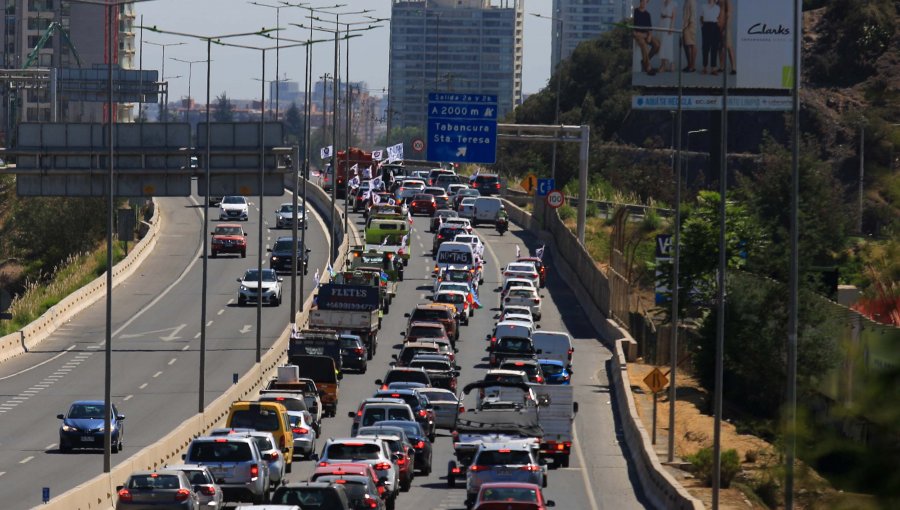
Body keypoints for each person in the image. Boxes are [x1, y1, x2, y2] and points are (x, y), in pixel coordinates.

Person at [633, 0, 660, 75]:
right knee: (644, 45)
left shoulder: (647, 14)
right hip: (637, 35)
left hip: (645, 34)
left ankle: (644, 62)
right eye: (643, 2)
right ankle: (648, 67)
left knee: (657, 44)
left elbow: (650, 29)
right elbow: (633, 29)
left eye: (645, 2)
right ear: (640, 2)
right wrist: (637, 34)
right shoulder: (635, 12)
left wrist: (649, 36)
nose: (644, 3)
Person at [700, 0, 721, 75]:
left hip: (715, 27)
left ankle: (713, 68)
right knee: (705, 47)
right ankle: (704, 67)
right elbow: (701, 17)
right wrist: (702, 26)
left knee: (714, 47)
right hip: (706, 26)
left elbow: (719, 18)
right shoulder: (703, 6)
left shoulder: (718, 7)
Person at [658, 0, 677, 73]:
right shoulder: (662, 3)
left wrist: (671, 27)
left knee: (668, 44)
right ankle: (663, 64)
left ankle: (671, 62)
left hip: (668, 24)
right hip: (662, 24)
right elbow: (661, 15)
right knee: (662, 44)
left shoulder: (673, 3)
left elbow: (674, 16)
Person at [717, 0, 736, 74]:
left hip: (725, 27)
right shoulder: (717, 1)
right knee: (719, 47)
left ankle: (733, 68)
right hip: (718, 27)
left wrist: (726, 27)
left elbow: (729, 14)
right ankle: (722, 67)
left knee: (729, 46)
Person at [682, 0, 697, 72]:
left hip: (690, 25)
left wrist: (688, 24)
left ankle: (692, 66)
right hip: (685, 25)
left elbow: (692, 13)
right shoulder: (686, 1)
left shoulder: (691, 1)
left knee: (691, 45)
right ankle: (689, 65)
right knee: (686, 45)